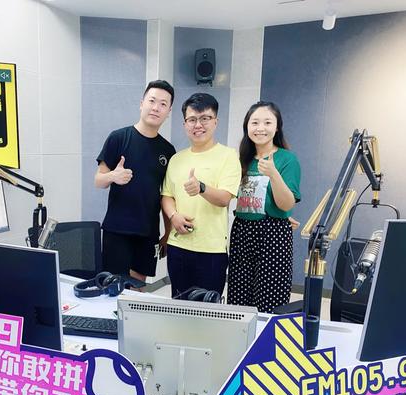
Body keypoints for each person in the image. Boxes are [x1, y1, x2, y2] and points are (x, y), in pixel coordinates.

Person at [160, 93, 241, 298]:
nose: (198, 125)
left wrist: (201, 188)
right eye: (192, 119)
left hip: (211, 250)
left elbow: (224, 198)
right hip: (178, 246)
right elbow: (167, 195)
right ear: (185, 124)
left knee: (208, 308)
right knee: (178, 305)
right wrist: (173, 216)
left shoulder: (228, 156)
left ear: (215, 121)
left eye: (205, 118)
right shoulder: (176, 159)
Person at [94, 80, 176, 282]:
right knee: (113, 289)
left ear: (168, 111)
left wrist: (167, 233)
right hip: (117, 229)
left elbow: (166, 195)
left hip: (148, 232)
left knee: (138, 289)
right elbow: (98, 181)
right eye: (152, 101)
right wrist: (113, 176)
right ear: (142, 103)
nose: (156, 108)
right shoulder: (118, 138)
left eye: (163, 104)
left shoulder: (168, 150)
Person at [227, 100, 301, 313]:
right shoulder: (242, 159)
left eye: (267, 122)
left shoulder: (287, 159)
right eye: (255, 122)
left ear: (277, 127)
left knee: (270, 300)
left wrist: (273, 174)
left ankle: (266, 336)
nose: (260, 128)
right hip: (242, 231)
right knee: (238, 299)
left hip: (273, 234)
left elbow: (286, 204)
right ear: (247, 127)